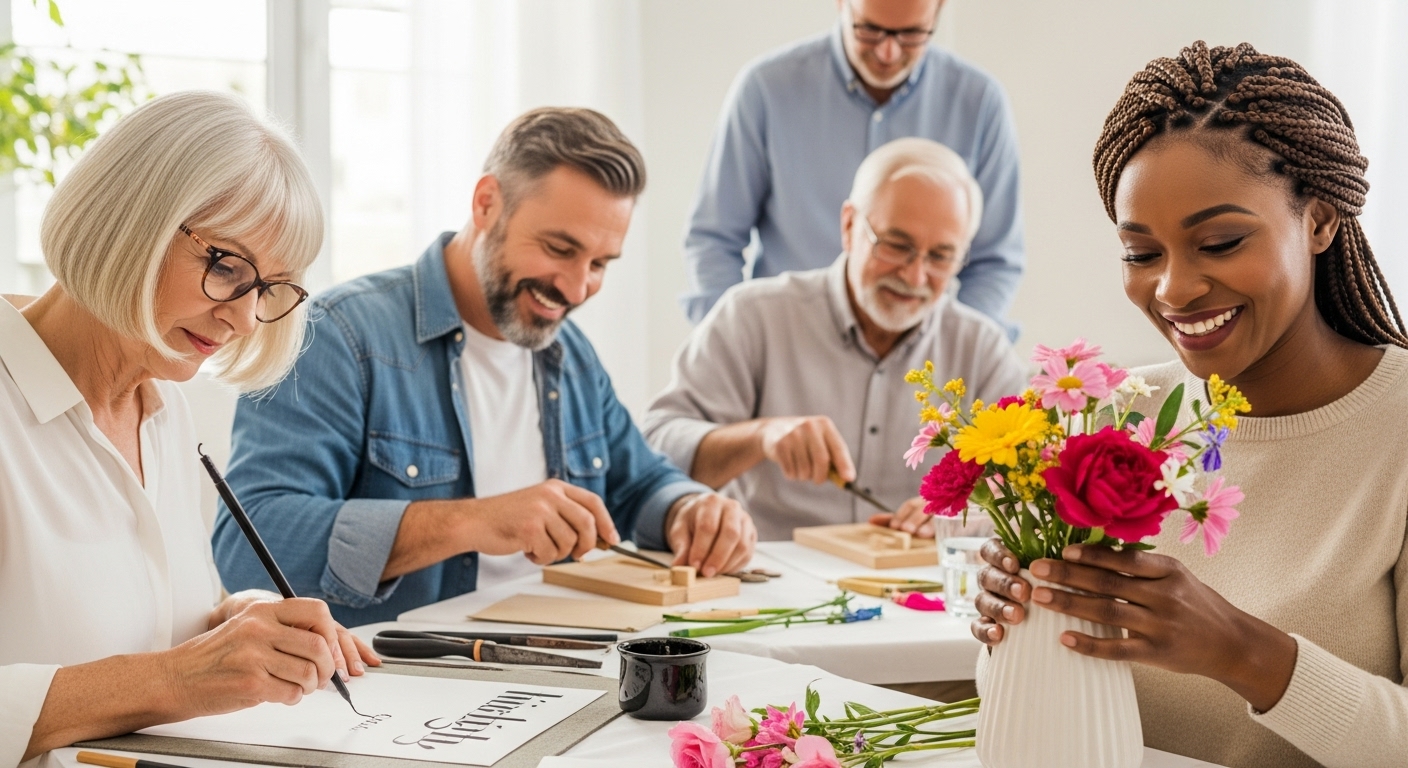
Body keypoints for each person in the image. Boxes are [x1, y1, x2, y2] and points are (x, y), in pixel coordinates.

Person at [971, 42, 1408, 768]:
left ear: (1322, 221)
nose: (1173, 290)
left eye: (1221, 241)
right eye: (1142, 254)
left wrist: (1240, 651)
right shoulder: (1109, 420)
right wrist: (1015, 629)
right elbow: (1050, 711)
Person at [215, 107, 758, 627]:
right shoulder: (337, 336)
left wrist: (690, 508)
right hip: (401, 686)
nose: (576, 288)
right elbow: (248, 546)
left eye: (599, 264)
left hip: (558, 666)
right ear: (486, 203)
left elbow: (638, 482)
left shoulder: (568, 354)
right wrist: (473, 521)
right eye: (558, 248)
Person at [0, 91, 379, 767]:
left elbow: (165, 619)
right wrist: (176, 681)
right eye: (226, 267)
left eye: (268, 289)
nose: (240, 317)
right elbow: (165, 674)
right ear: (128, 218)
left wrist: (246, 619)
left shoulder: (162, 407)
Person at [645, 138, 1026, 542]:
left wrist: (970, 512)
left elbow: (1030, 490)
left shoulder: (981, 349)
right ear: (849, 226)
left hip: (916, 591)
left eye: (941, 257)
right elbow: (655, 448)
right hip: (769, 580)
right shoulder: (754, 315)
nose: (915, 276)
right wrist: (761, 436)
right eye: (897, 246)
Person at [682, 0, 1023, 335]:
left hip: (920, 366)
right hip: (787, 347)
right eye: (870, 29)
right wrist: (736, 343)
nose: (888, 52)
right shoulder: (766, 89)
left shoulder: (979, 104)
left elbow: (994, 262)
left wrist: (951, 354)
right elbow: (714, 240)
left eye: (911, 34)